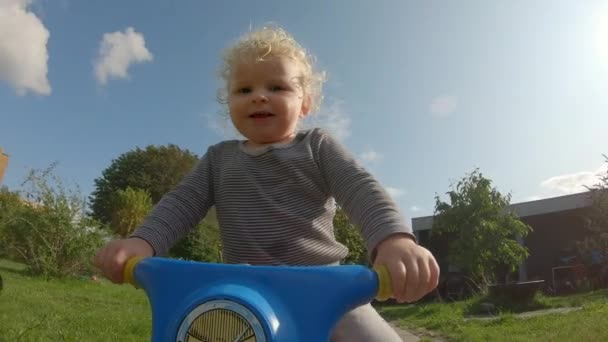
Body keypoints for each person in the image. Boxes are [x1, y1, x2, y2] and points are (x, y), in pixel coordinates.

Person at [94, 25, 439, 341]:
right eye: (244, 89)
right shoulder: (218, 159)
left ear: (304, 102)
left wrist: (394, 241)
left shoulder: (317, 147)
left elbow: (361, 188)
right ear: (228, 102)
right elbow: (181, 203)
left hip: (325, 293)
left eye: (276, 87)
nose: (259, 96)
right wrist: (143, 242)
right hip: (239, 295)